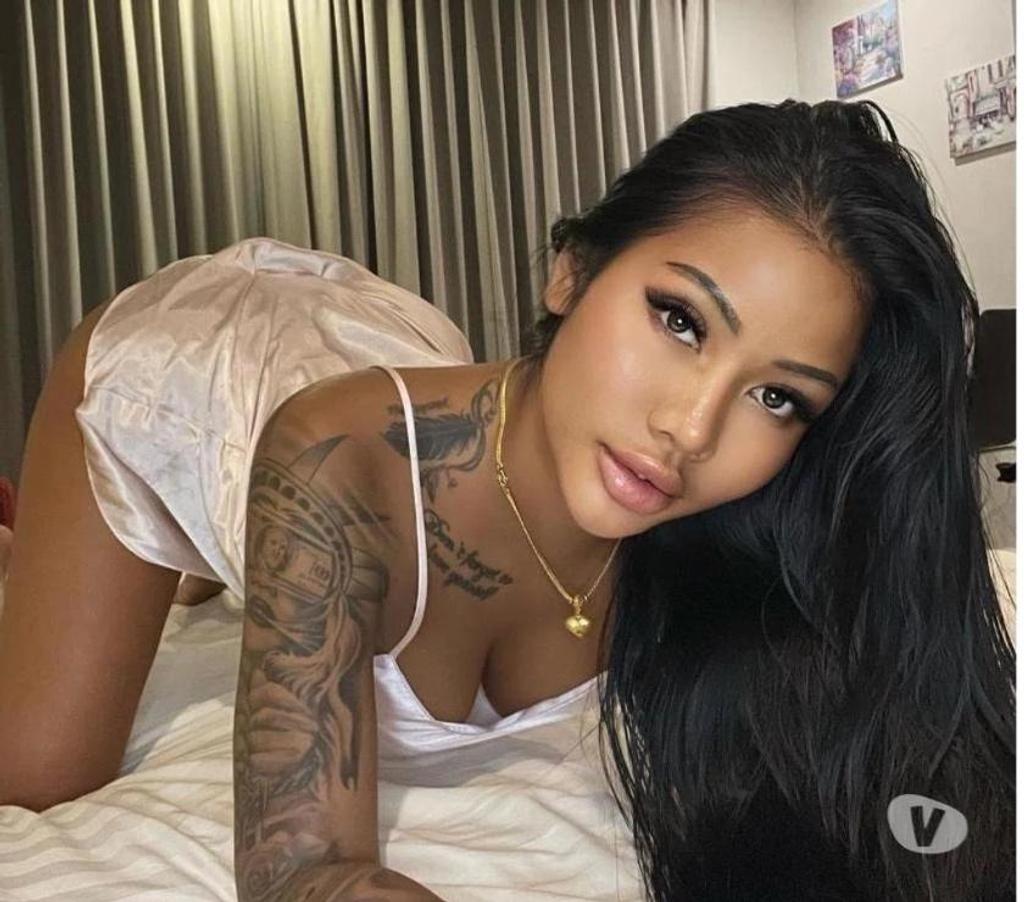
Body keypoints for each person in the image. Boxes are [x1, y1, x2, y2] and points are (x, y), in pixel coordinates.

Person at [0, 98, 1014, 901]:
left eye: (777, 396)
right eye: (679, 319)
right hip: (189, 369)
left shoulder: (733, 525)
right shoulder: (333, 462)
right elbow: (302, 869)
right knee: (36, 773)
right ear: (572, 272)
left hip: (391, 341)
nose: (691, 429)